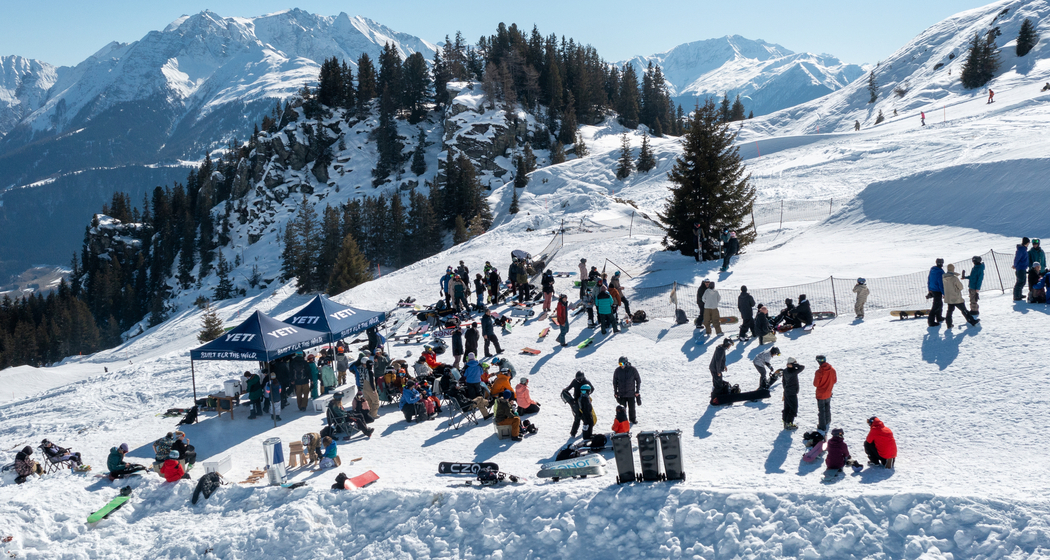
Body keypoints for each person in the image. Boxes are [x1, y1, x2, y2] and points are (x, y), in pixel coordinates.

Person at [943, 264, 979, 328]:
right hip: (956, 297)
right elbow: (960, 287)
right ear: (953, 269)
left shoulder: (944, 277)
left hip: (949, 297)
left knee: (949, 311)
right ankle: (972, 321)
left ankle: (948, 324)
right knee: (964, 310)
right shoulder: (954, 278)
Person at [564, 371, 594, 438]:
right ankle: (573, 433)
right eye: (577, 379)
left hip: (584, 401)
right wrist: (565, 391)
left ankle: (585, 432)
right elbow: (569, 388)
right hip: (576, 402)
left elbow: (592, 389)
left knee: (585, 417)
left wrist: (586, 394)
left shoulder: (586, 382)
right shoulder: (575, 381)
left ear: (583, 377)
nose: (578, 380)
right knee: (577, 417)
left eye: (579, 379)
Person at [612, 356, 641, 424]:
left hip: (631, 393)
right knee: (622, 409)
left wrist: (637, 391)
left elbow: (638, 380)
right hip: (622, 393)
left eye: (622, 364)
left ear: (626, 363)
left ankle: (632, 419)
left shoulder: (633, 369)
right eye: (619, 364)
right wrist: (616, 391)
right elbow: (615, 382)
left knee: (632, 408)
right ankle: (623, 420)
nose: (621, 366)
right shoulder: (617, 370)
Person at [813, 355, 836, 433]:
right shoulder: (832, 370)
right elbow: (835, 380)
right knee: (827, 407)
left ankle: (822, 426)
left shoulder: (819, 372)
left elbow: (815, 384)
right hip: (829, 393)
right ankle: (828, 420)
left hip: (820, 394)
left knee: (821, 410)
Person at [781, 357, 804, 430]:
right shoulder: (793, 372)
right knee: (793, 408)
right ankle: (789, 423)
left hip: (787, 391)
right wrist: (795, 365)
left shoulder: (785, 371)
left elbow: (783, 382)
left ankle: (785, 421)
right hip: (792, 392)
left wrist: (784, 391)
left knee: (787, 407)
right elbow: (802, 367)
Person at [927, 258, 945, 325]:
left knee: (939, 304)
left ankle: (939, 317)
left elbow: (929, 280)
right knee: (936, 306)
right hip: (937, 290)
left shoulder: (932, 270)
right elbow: (941, 283)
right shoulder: (940, 272)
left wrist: (929, 290)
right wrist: (944, 293)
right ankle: (931, 321)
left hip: (933, 289)